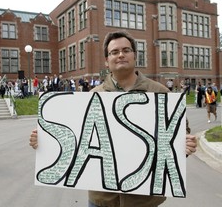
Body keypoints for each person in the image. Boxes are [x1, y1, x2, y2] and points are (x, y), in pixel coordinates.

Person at [29, 31, 197, 207]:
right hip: (101, 200)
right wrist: (44, 142)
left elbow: (180, 131)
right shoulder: (92, 96)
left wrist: (184, 144)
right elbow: (74, 140)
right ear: (106, 61)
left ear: (134, 55)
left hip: (144, 200)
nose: (121, 55)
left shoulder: (160, 92)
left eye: (126, 50)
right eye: (114, 52)